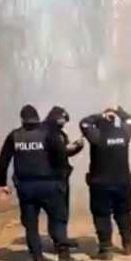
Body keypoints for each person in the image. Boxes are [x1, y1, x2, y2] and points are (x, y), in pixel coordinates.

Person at [0, 104, 85, 261]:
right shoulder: (49, 134)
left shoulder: (14, 136)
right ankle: (64, 258)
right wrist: (62, 178)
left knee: (31, 226)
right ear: (37, 118)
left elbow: (3, 163)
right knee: (58, 220)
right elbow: (61, 157)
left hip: (26, 189)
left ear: (22, 119)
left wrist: (2, 183)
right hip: (50, 186)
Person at [80, 106, 131, 261]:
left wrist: (100, 115)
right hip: (123, 182)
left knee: (101, 215)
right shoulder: (124, 135)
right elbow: (129, 120)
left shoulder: (97, 136)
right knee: (124, 213)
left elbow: (84, 123)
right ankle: (128, 244)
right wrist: (118, 112)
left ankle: (106, 248)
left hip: (100, 184)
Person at [43, 106, 85, 248]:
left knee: (62, 211)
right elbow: (58, 151)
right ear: (56, 117)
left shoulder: (60, 134)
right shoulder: (47, 133)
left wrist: (77, 147)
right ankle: (60, 243)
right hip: (53, 177)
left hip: (61, 176)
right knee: (58, 211)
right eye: (63, 120)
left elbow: (66, 152)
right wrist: (69, 148)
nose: (64, 123)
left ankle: (61, 238)